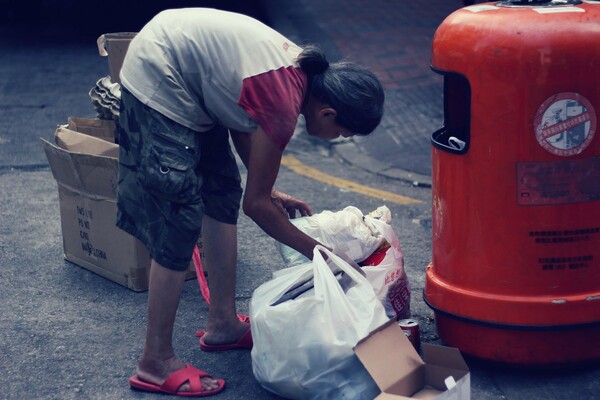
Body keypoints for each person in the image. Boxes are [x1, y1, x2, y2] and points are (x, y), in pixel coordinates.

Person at [115, 7, 385, 397]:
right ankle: (154, 361)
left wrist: (266, 188)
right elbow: (255, 206)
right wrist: (321, 253)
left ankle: (222, 324)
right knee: (179, 219)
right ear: (327, 112)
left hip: (191, 76)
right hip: (162, 73)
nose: (339, 137)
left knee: (222, 193)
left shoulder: (301, 78)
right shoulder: (283, 104)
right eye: (341, 132)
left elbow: (244, 115)